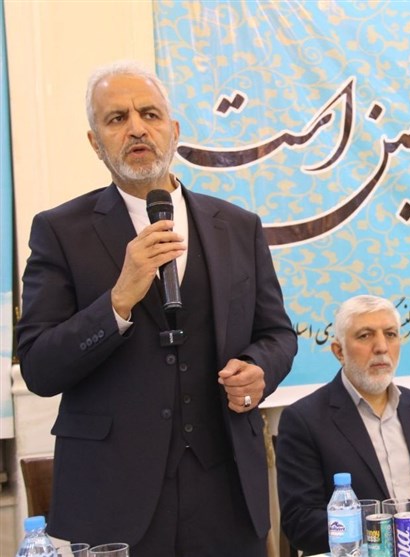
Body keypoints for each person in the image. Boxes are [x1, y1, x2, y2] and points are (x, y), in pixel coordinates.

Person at [16, 61, 297, 556]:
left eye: (149, 114)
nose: (136, 128)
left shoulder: (238, 226)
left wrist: (259, 370)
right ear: (95, 142)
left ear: (174, 130)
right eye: (116, 118)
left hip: (228, 489)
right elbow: (39, 366)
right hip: (113, 495)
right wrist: (118, 301)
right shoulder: (60, 231)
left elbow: (277, 334)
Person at [276, 295, 410, 555]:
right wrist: (388, 537)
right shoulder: (304, 420)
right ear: (339, 351)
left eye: (390, 334)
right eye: (365, 336)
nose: (381, 347)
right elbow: (301, 523)